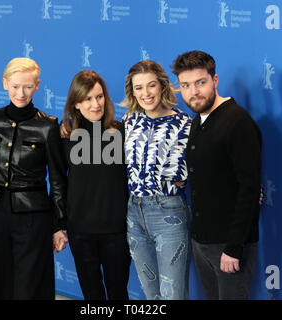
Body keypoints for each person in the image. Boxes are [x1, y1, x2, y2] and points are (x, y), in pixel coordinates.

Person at [0, 57, 68, 300]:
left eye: (27, 86)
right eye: (15, 86)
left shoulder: (48, 126)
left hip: (34, 218)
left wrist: (59, 226)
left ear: (37, 86)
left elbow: (57, 179)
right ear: (5, 84)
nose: (21, 93)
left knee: (31, 287)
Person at [171, 50, 262, 300]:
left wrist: (234, 248)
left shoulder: (237, 121)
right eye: (186, 85)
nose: (193, 92)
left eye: (200, 82)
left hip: (229, 245)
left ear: (215, 80)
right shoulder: (196, 122)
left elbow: (250, 189)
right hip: (201, 241)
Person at [121, 60, 192, 300]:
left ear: (162, 86)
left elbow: (205, 165)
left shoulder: (184, 124)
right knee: (151, 295)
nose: (145, 93)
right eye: (138, 88)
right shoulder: (129, 121)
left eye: (151, 85)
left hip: (169, 212)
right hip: (134, 213)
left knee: (172, 295)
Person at [61, 70, 131, 300]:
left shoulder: (121, 131)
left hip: (117, 231)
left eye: (99, 97)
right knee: (92, 295)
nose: (95, 104)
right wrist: (58, 225)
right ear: (76, 104)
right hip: (80, 231)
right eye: (88, 99)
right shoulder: (64, 136)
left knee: (118, 293)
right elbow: (58, 182)